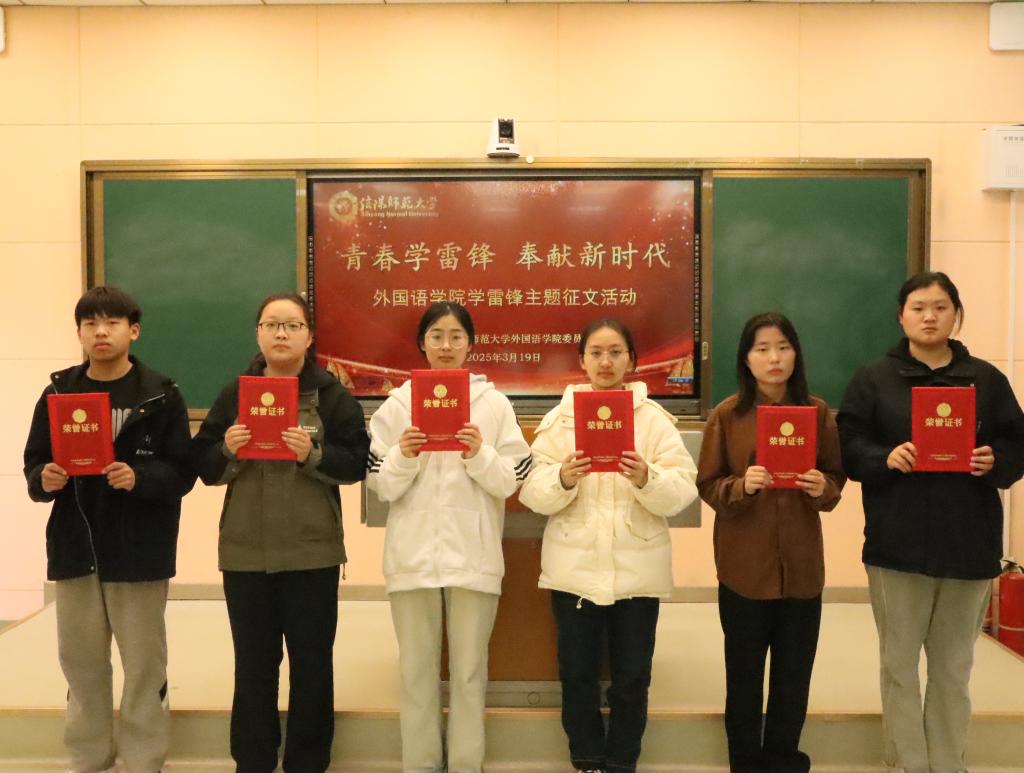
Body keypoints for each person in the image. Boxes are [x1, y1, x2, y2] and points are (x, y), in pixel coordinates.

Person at [838, 271, 1024, 773]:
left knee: (953, 667)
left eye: (941, 307)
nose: (929, 317)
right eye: (918, 307)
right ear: (901, 316)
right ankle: (908, 763)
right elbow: (848, 445)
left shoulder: (987, 379)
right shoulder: (873, 379)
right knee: (899, 665)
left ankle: (947, 762)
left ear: (955, 315)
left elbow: (1017, 444)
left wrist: (996, 460)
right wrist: (884, 457)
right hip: (896, 545)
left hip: (969, 544)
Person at [192, 292, 369, 773]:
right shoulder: (235, 394)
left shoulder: (331, 396)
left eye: (292, 325)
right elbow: (202, 464)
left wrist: (312, 455)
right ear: (258, 333)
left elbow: (357, 462)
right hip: (246, 552)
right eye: (272, 324)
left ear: (309, 336)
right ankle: (253, 760)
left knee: (312, 665)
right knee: (253, 664)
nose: (282, 334)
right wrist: (226, 450)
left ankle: (307, 762)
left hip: (312, 553)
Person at [23, 286, 195, 773]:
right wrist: (43, 478)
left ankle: (143, 759)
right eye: (90, 323)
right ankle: (88, 756)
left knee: (143, 665)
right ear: (79, 332)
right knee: (80, 663)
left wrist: (140, 478)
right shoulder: (58, 394)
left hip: (139, 550)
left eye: (112, 322)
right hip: (75, 547)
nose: (101, 332)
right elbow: (34, 462)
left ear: (133, 331)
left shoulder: (161, 395)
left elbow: (183, 472)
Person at [518, 318, 698, 773]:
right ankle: (585, 759)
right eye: (596, 353)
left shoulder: (653, 421)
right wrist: (562, 477)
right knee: (577, 674)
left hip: (638, 570)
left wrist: (646, 477)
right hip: (574, 569)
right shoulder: (560, 421)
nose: (605, 362)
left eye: (615, 352)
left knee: (632, 677)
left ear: (631, 361)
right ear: (581, 360)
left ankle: (621, 761)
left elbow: (683, 490)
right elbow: (532, 492)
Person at [366, 301, 531, 773]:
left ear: (470, 344)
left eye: (456, 336)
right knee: (416, 672)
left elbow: (512, 479)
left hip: (474, 556)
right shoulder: (397, 406)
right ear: (422, 343)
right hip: (412, 556)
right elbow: (380, 485)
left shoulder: (494, 405)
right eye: (436, 336)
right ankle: (419, 765)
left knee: (469, 673)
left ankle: (464, 764)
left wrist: (479, 454)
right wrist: (404, 455)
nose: (446, 345)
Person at [696, 312, 845, 773]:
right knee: (743, 677)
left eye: (783, 347)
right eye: (762, 349)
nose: (774, 358)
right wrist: (742, 485)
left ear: (796, 354)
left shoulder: (817, 413)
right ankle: (744, 762)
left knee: (793, 677)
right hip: (744, 569)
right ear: (746, 358)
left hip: (801, 569)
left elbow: (835, 479)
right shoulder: (727, 415)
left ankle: (783, 760)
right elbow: (708, 485)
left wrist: (822, 487)